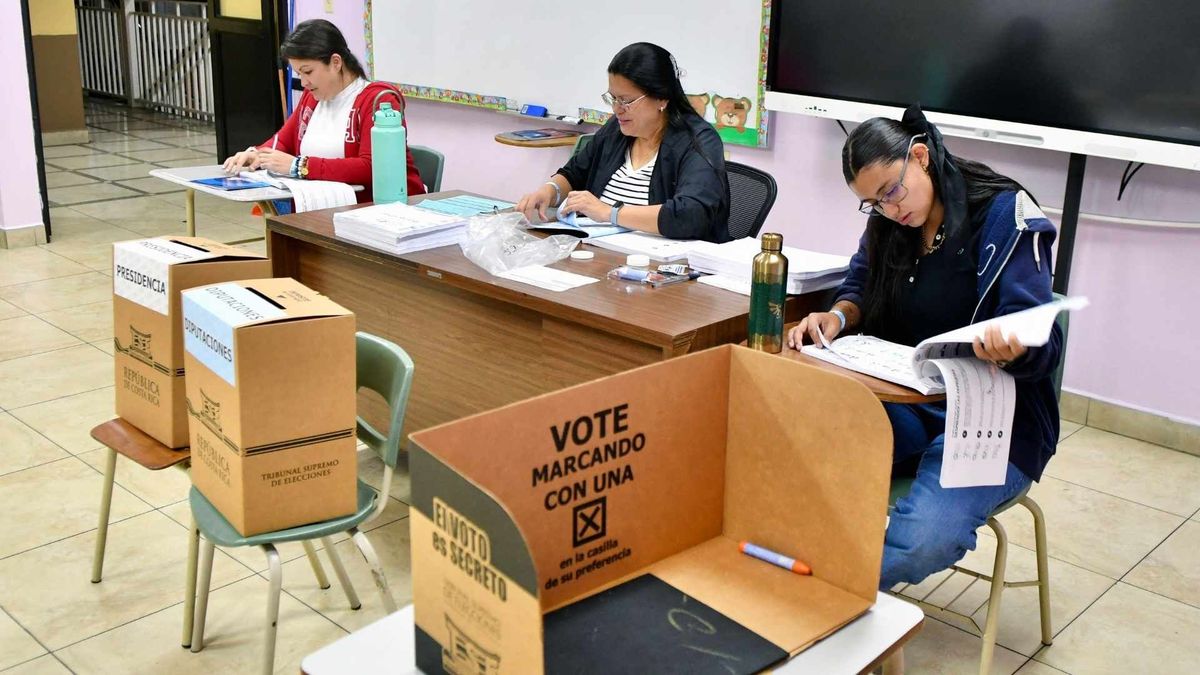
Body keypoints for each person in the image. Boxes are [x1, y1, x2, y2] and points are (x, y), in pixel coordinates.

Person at [789, 105, 1062, 589]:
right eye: (874, 203)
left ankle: (827, 591)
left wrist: (1012, 344)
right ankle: (813, 578)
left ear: (920, 157)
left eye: (892, 191)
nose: (890, 210)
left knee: (923, 541)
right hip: (906, 406)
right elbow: (860, 283)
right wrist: (836, 316)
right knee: (799, 462)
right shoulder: (890, 224)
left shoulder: (1003, 215)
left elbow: (1042, 339)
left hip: (991, 425)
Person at [516, 42, 731, 243]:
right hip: (600, 255)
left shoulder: (698, 140)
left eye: (627, 101)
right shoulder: (616, 129)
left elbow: (690, 214)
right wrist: (549, 191)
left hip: (662, 269)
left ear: (662, 98)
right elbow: (575, 173)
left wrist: (610, 212)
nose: (617, 109)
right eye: (613, 98)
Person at [221, 19, 424, 202]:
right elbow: (283, 140)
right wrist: (257, 154)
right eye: (299, 73)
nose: (304, 82)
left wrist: (299, 166)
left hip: (378, 212)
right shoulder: (312, 98)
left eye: (308, 72)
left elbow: (371, 167)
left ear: (336, 62)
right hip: (325, 209)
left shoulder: (378, 100)